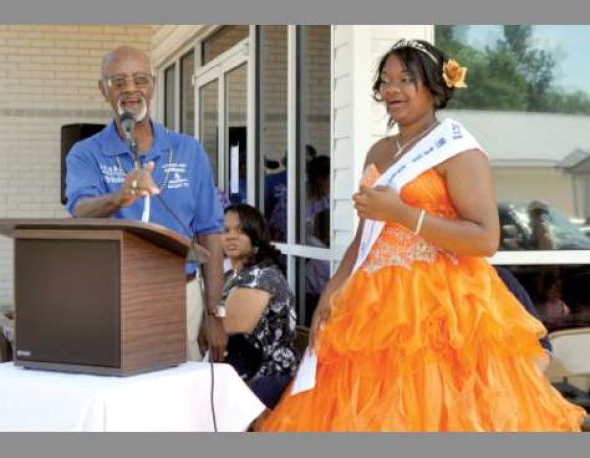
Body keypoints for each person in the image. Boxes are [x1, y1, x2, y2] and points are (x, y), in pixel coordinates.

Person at [257, 38, 585, 431]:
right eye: (386, 80)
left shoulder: (458, 151)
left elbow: (485, 239)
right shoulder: (378, 152)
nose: (392, 89)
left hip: (439, 303)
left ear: (434, 86)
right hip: (370, 302)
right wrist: (334, 287)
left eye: (405, 79)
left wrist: (403, 214)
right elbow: (367, 234)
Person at [65, 46, 226, 362]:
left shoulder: (188, 150)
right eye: (118, 82)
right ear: (103, 90)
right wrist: (120, 197)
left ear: (152, 86)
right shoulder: (86, 153)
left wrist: (215, 312)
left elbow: (210, 231)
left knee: (178, 385)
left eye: (140, 79)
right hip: (113, 296)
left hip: (181, 295)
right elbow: (80, 209)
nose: (130, 89)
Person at [220, 204, 298, 409]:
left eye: (240, 230)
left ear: (255, 235)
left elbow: (227, 333)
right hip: (239, 371)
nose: (231, 236)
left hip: (266, 375)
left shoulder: (261, 276)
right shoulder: (231, 276)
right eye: (225, 230)